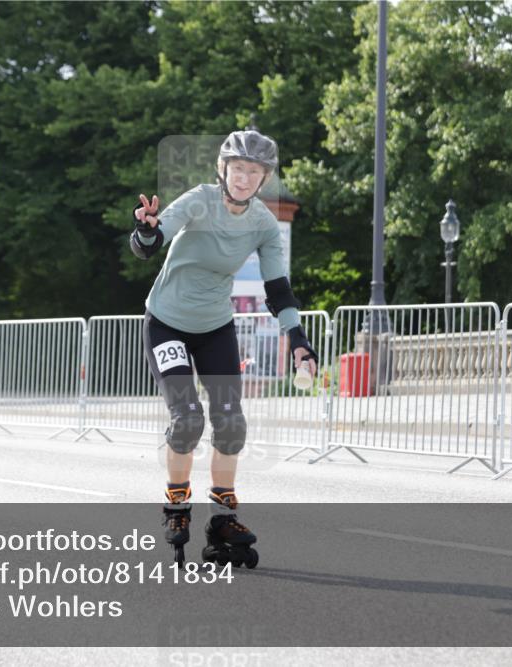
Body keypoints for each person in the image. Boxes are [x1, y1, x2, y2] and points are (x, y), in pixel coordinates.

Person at [129, 129, 318, 566]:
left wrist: (300, 343)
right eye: (237, 168)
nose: (244, 177)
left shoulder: (263, 225)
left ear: (264, 177)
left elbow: (279, 291)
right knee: (187, 417)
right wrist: (145, 232)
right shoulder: (199, 200)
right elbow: (154, 238)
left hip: (215, 327)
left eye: (254, 171)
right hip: (167, 323)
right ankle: (176, 504)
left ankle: (223, 515)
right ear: (223, 169)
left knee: (231, 422)